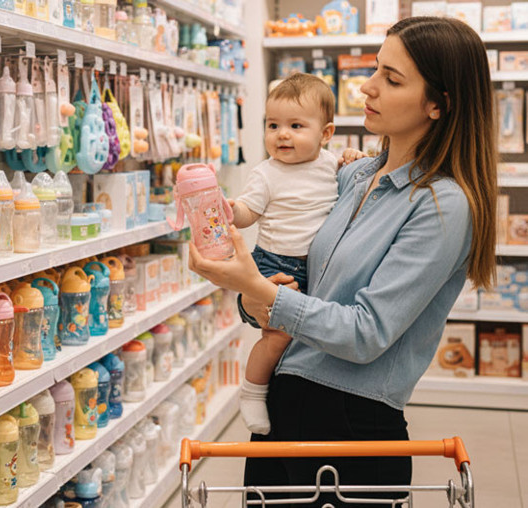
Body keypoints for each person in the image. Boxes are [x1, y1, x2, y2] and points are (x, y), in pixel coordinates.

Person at [189, 16, 496, 507]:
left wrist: (263, 290)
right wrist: (253, 295)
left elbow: (365, 333)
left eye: (391, 79)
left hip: (353, 424)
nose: (367, 87)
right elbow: (307, 290)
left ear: (439, 104)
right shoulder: (351, 177)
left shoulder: (442, 205)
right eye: (375, 69)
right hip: (284, 403)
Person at [231, 72, 364, 435]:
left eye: (295, 125)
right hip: (274, 263)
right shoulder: (266, 173)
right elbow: (248, 212)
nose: (282, 134)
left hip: (318, 268)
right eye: (272, 125)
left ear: (326, 134)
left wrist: (352, 157)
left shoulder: (330, 165)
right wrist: (231, 212)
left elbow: (351, 175)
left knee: (310, 333)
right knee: (275, 337)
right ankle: (253, 391)